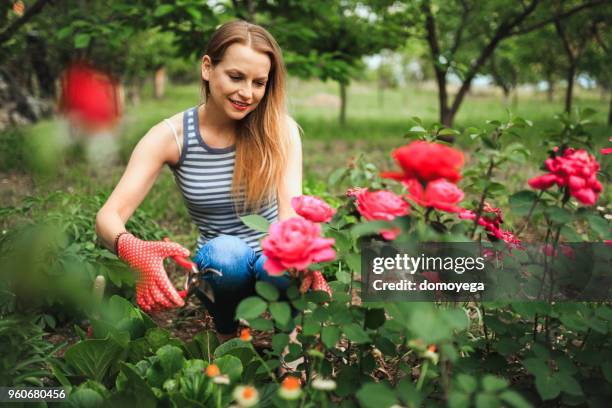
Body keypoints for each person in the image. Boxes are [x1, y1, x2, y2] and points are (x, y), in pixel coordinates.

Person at [95, 20, 303, 370]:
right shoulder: (171, 136)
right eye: (236, 77)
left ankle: (291, 350)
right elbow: (107, 217)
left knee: (281, 257)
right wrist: (132, 247)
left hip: (273, 259)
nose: (247, 93)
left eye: (259, 83)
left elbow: (289, 217)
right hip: (221, 269)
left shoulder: (280, 130)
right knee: (226, 253)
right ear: (208, 68)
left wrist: (301, 257)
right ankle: (227, 341)